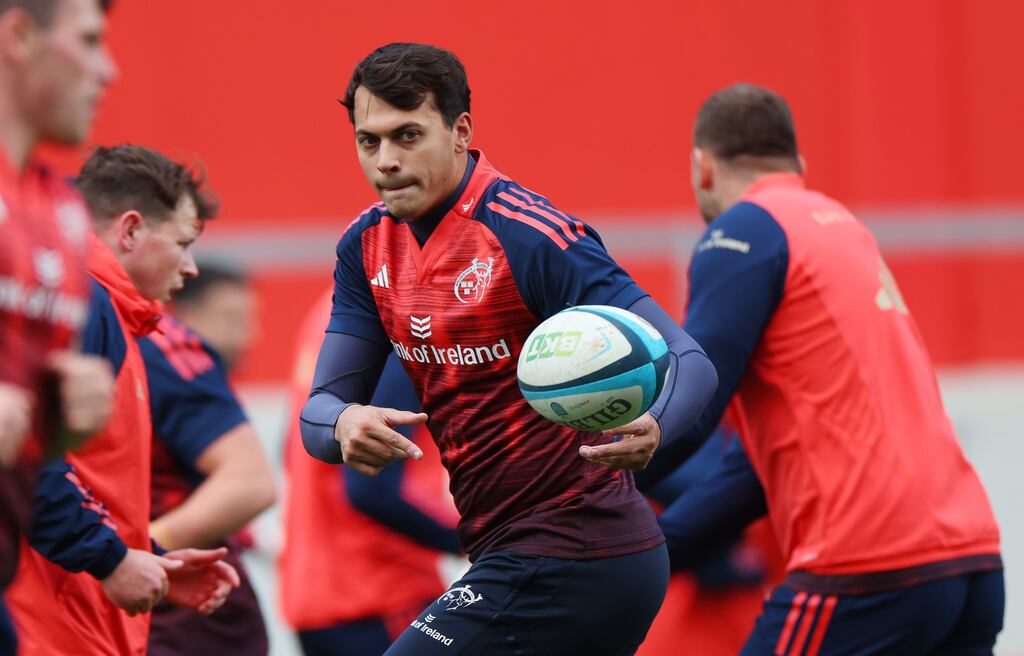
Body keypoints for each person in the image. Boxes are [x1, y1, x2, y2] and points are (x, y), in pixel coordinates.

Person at [300, 43, 718, 656]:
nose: (386, 161)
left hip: (579, 550)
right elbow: (319, 411)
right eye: (370, 141)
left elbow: (690, 361)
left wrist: (655, 426)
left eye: (408, 134)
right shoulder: (364, 247)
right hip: (508, 549)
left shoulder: (530, 236)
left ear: (460, 130)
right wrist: (343, 422)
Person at [645, 83, 1003, 655]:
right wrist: (645, 550)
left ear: (703, 167)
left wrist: (578, 496)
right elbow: (754, 472)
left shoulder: (742, 231)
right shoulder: (840, 227)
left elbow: (697, 393)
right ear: (799, 165)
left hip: (868, 564)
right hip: (970, 562)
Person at [7, 145, 239, 656]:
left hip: (74, 619)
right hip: (51, 627)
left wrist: (147, 557)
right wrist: (111, 558)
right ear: (130, 231)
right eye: (183, 242)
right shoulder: (87, 307)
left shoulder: (114, 317)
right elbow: (30, 460)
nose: (193, 266)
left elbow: (90, 480)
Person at [0, 0, 118, 651]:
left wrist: (59, 426)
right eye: (90, 41)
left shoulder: (63, 214)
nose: (111, 69)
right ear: (18, 36)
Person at [282, 290, 461, 656]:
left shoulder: (333, 316)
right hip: (382, 592)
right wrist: (480, 539)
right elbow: (373, 489)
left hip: (314, 595)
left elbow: (292, 444)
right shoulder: (399, 319)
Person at [140, 259, 276, 655]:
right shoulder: (163, 346)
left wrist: (123, 560)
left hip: (191, 607)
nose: (249, 337)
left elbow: (251, 485)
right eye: (233, 319)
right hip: (183, 608)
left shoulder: (166, 353)